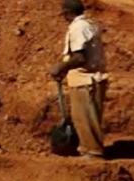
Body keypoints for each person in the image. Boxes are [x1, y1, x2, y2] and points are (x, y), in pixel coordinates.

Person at [48, 0, 108, 158]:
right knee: (83, 118)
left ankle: (92, 152)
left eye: (64, 15)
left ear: (68, 13)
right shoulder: (89, 24)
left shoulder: (78, 27)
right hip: (86, 79)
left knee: (86, 118)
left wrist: (60, 67)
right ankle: (86, 149)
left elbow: (80, 57)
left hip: (85, 80)